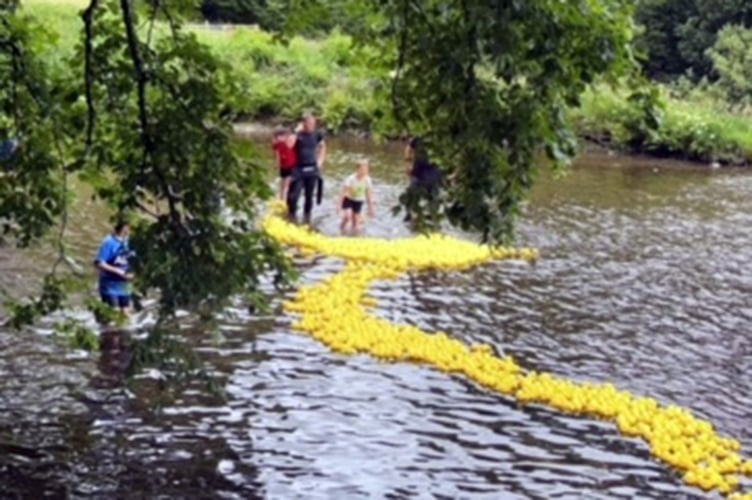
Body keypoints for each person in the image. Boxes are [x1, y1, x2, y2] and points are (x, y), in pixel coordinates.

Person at [287, 113, 326, 223]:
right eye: (309, 123)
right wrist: (296, 131)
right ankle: (291, 217)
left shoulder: (317, 134)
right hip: (298, 169)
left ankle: (307, 219)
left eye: (313, 123)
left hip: (312, 168)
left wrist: (320, 161)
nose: (312, 126)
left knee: (309, 196)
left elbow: (323, 146)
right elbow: (289, 145)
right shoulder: (297, 134)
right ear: (304, 124)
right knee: (294, 196)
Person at [94, 221, 135, 314]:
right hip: (110, 285)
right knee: (113, 314)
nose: (127, 232)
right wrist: (118, 271)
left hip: (125, 285)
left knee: (126, 313)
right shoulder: (109, 243)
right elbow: (99, 263)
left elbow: (135, 260)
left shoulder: (131, 242)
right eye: (125, 229)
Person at [401, 136, 442, 222]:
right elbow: (408, 148)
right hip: (418, 172)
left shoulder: (440, 138)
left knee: (434, 196)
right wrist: (408, 164)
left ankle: (432, 216)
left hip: (434, 174)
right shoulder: (418, 139)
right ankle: (409, 214)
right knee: (410, 193)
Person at [338, 159, 375, 234]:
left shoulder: (367, 180)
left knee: (356, 224)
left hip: (358, 201)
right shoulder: (351, 179)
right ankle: (341, 230)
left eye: (366, 169)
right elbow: (342, 193)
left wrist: (371, 208)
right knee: (347, 217)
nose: (364, 171)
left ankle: (354, 236)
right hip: (348, 199)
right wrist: (339, 206)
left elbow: (368, 195)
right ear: (357, 169)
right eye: (362, 169)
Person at [272, 127, 297, 200]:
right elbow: (277, 155)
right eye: (278, 137)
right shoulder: (278, 145)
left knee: (286, 185)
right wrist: (277, 164)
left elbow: (294, 138)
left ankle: (285, 199)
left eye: (281, 136)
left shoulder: (288, 143)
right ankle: (281, 199)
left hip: (290, 166)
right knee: (282, 185)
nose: (280, 138)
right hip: (283, 167)